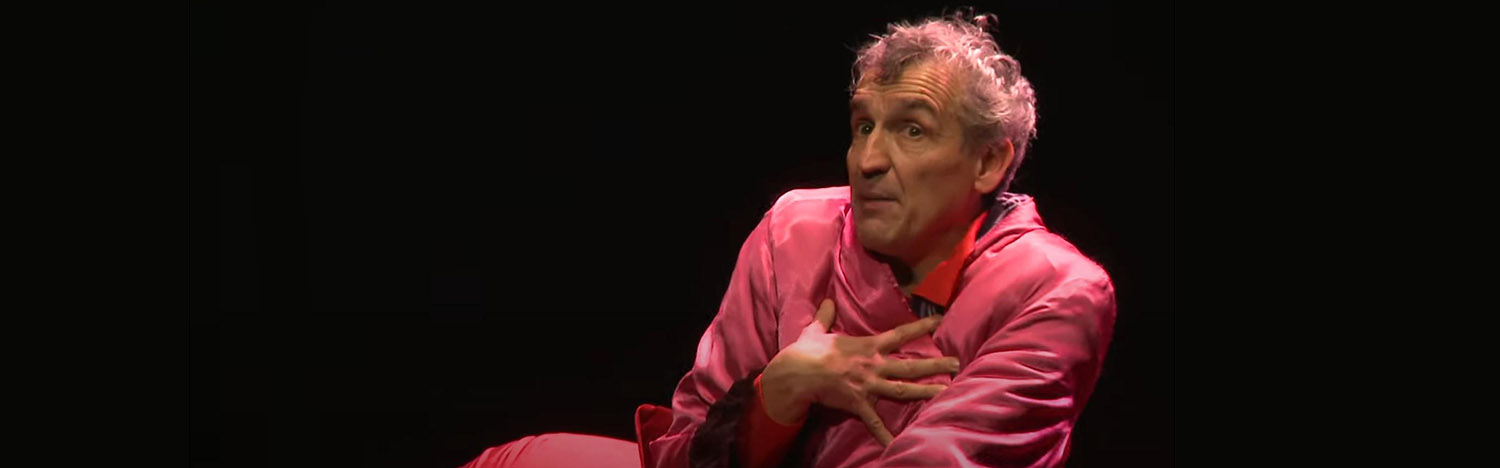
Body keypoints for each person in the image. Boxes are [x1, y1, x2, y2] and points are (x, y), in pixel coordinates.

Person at [462, 13, 1115, 468]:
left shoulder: (1057, 291)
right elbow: (685, 445)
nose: (868, 161)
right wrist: (780, 392)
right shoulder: (796, 230)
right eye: (863, 126)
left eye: (912, 130)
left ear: (988, 163)